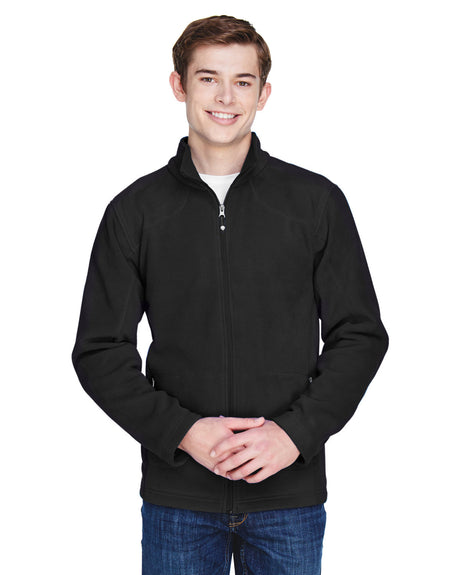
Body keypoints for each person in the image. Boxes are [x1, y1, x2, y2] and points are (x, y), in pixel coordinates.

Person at [72, 15, 388, 575]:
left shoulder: (315, 203)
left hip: (288, 495)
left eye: (243, 81)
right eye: (208, 78)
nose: (226, 97)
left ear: (263, 94)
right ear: (179, 85)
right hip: (179, 500)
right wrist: (184, 433)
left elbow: (360, 335)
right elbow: (100, 351)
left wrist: (294, 435)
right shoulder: (135, 212)